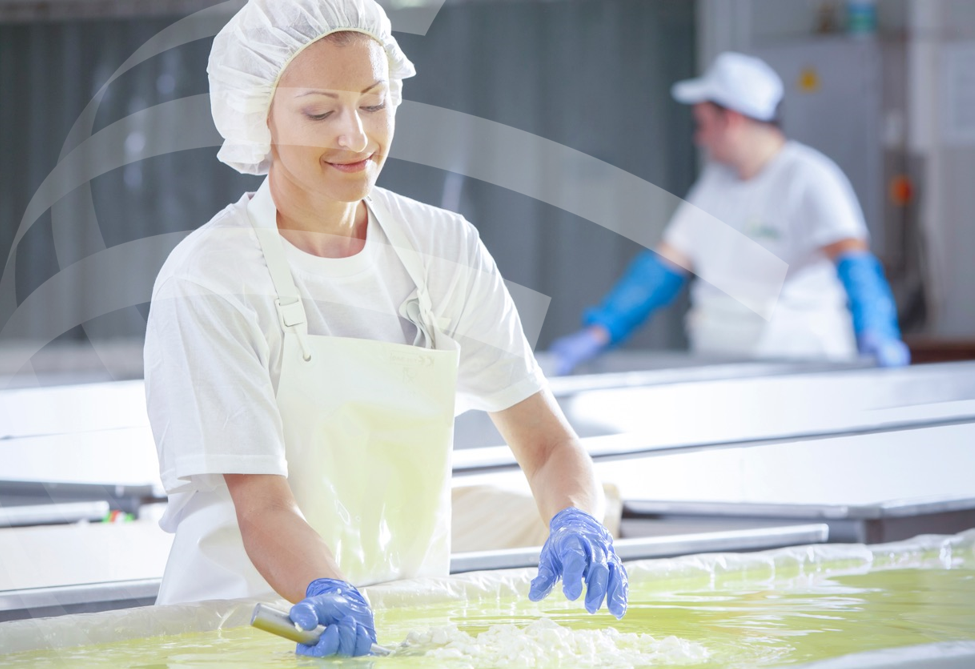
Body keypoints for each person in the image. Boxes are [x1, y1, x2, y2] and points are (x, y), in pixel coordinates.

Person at [144, 0, 626, 657]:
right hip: (246, 630)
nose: (356, 136)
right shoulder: (212, 276)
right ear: (262, 115)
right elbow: (262, 506)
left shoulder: (442, 248)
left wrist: (576, 518)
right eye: (320, 112)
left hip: (403, 625)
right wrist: (328, 589)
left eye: (374, 103)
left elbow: (546, 446)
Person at [549, 52, 908, 375]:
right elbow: (661, 271)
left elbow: (855, 265)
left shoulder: (808, 178)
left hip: (801, 373)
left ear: (732, 120)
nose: (699, 138)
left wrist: (878, 333)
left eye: (703, 124)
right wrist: (599, 332)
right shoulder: (713, 186)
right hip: (724, 371)